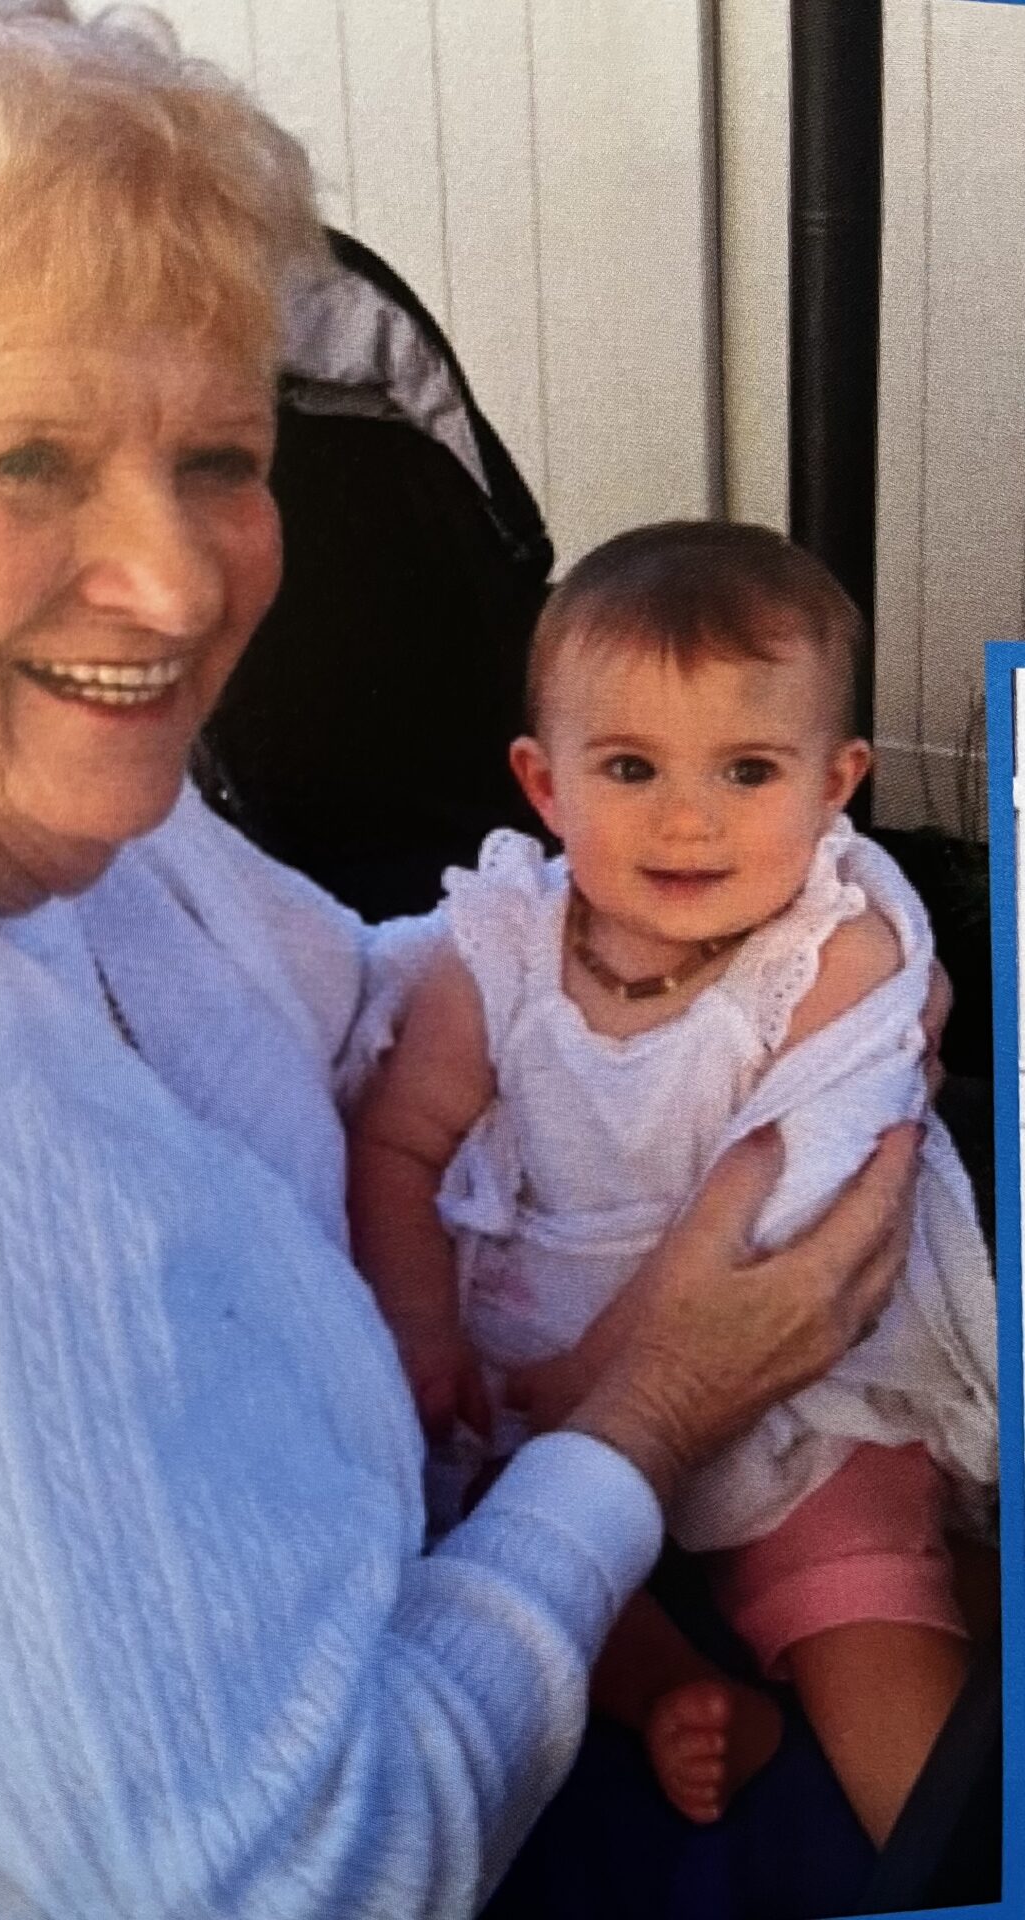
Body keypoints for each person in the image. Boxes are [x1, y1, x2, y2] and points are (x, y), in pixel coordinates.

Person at [0, 8, 919, 1915]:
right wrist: (652, 1413)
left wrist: (737, 954)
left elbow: (327, 991)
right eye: (27, 458)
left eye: (221, 451)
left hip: (412, 1510)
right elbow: (316, 1872)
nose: (178, 573)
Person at [348, 522, 997, 1851]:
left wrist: (602, 1369)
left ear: (837, 785)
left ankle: (942, 1834)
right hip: (535, 1391)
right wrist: (419, 1332)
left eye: (749, 769)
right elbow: (399, 1147)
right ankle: (673, 1698)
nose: (688, 816)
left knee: (858, 1569)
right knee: (471, 1534)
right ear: (545, 784)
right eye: (631, 766)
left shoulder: (835, 955)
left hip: (795, 1377)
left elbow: (803, 1194)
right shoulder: (504, 950)